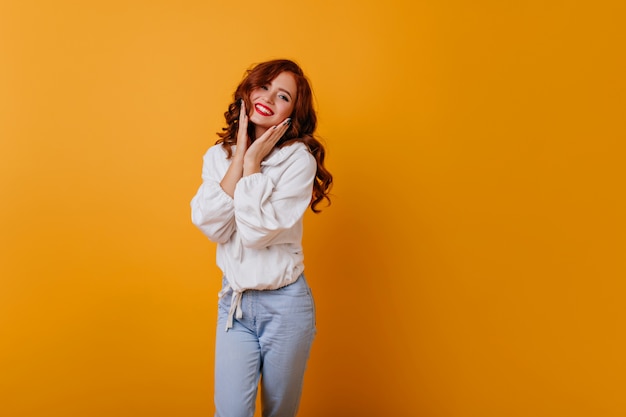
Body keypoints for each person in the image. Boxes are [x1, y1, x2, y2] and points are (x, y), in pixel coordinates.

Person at [190, 59, 333, 417]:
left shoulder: (298, 161)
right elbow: (211, 225)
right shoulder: (217, 157)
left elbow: (254, 234)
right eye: (263, 86)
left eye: (282, 95)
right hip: (235, 306)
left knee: (278, 413)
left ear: (292, 113)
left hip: (285, 306)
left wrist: (253, 164)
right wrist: (240, 156)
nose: (268, 97)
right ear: (248, 90)